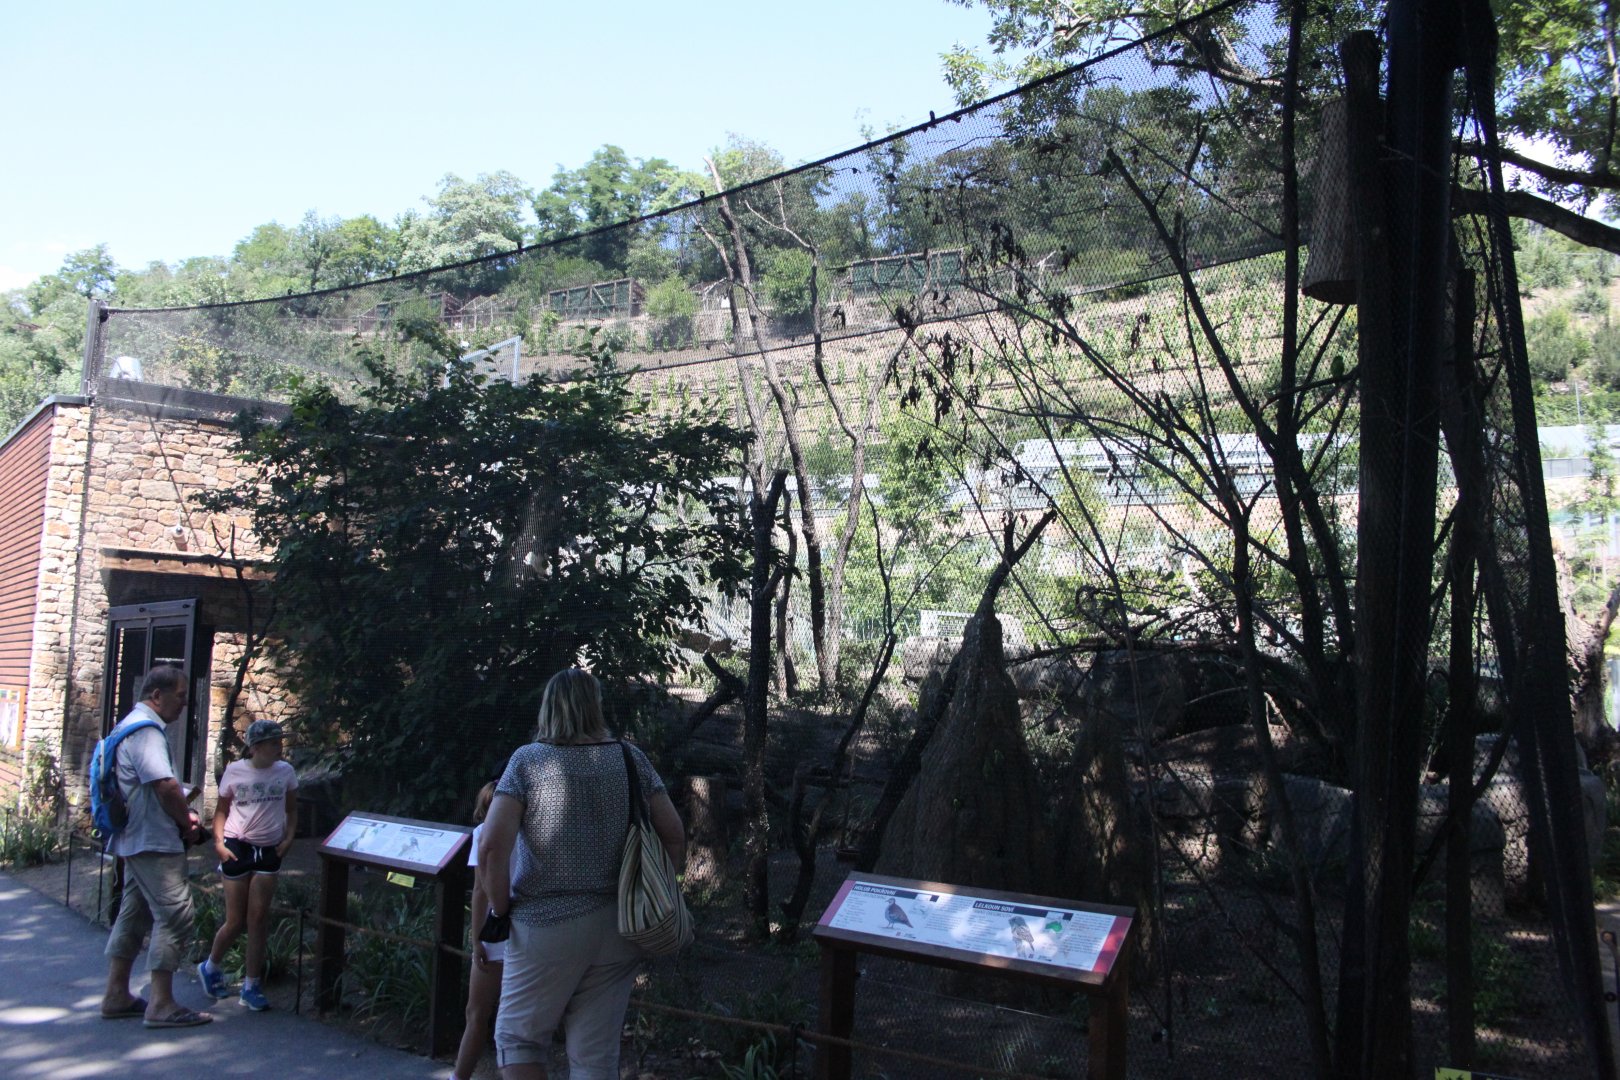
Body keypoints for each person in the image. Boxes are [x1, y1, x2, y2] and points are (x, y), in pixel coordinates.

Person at [479, 668, 686, 1080]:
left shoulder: (527, 761)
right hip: (619, 927)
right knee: (595, 1058)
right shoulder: (631, 758)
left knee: (518, 1041)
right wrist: (654, 891)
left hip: (544, 925)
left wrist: (501, 907)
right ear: (596, 707)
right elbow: (674, 835)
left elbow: (491, 847)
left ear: (548, 708)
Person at [99, 664, 212, 1029]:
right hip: (154, 841)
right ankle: (161, 1004)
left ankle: (117, 993)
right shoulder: (147, 732)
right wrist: (187, 823)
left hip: (133, 838)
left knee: (135, 912)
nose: (184, 704)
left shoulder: (126, 725)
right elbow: (164, 785)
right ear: (157, 696)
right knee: (176, 915)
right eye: (180, 696)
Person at [197, 719, 297, 1011]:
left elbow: (291, 809)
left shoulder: (286, 772)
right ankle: (211, 965)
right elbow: (221, 809)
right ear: (256, 747)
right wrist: (218, 843)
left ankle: (252, 984)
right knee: (236, 919)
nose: (280, 745)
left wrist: (288, 839)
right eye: (273, 741)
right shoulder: (235, 771)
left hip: (269, 848)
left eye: (280, 740)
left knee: (259, 918)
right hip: (237, 846)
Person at [452, 780, 510, 1080]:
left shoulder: (483, 834)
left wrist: (476, 940)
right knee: (514, 1022)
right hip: (529, 930)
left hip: (496, 933)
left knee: (476, 1014)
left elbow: (479, 891)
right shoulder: (528, 833)